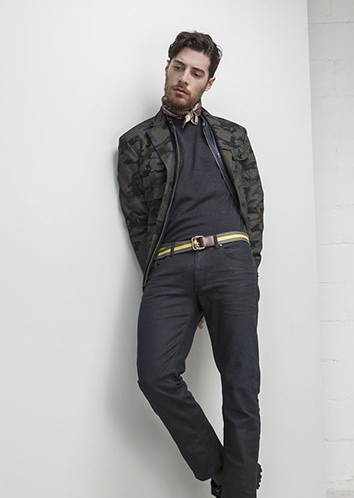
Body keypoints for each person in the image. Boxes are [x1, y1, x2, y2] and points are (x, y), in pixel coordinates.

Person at [118, 31, 264, 498]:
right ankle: (225, 471)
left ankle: (239, 492)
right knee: (155, 375)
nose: (184, 78)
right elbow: (138, 223)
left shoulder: (233, 136)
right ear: (167, 68)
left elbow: (254, 209)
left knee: (241, 383)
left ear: (209, 82)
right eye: (178, 67)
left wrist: (247, 268)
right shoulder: (136, 142)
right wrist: (162, 276)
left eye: (196, 73)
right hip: (170, 266)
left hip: (231, 258)